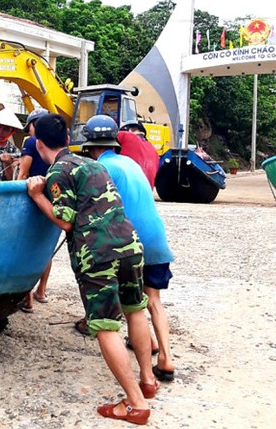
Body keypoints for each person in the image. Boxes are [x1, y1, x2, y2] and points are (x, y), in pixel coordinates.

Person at [26, 113, 156, 425]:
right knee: (136, 310)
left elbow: (65, 220)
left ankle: (136, 404)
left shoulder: (58, 171)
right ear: (68, 140)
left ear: (38, 143)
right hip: (129, 244)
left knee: (105, 325)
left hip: (97, 254)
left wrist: (37, 195)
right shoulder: (94, 164)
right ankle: (148, 382)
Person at [82, 115, 176, 383]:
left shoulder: (101, 168)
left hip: (131, 242)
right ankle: (165, 357)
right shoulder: (130, 163)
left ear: (90, 146)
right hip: (157, 237)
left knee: (132, 304)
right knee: (154, 301)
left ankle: (144, 360)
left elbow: (98, 209)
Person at [17, 108, 51, 313]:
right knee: (45, 247)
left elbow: (23, 174)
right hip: (49, 198)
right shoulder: (54, 143)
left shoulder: (32, 142)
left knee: (25, 247)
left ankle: (27, 297)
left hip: (32, 198)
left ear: (33, 124)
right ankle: (42, 291)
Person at [118, 120, 159, 188]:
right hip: (147, 194)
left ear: (129, 130)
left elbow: (107, 136)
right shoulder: (154, 150)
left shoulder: (127, 136)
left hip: (129, 191)